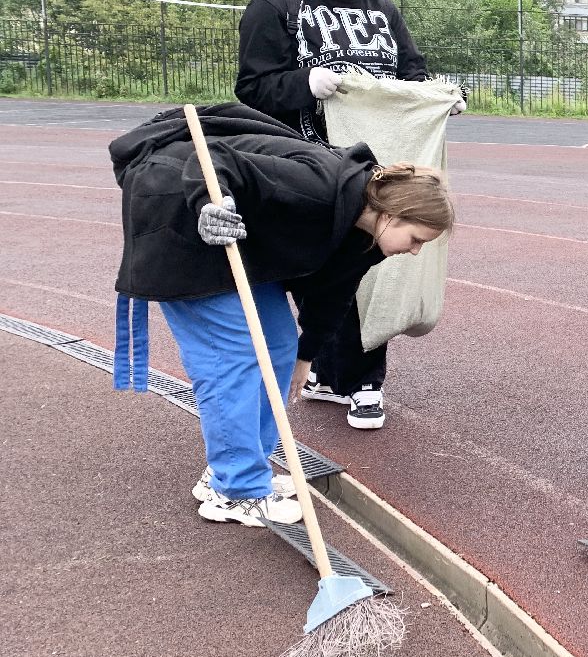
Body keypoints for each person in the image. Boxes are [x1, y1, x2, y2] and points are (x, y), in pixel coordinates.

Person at [111, 103, 455, 527]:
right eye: (416, 237)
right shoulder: (318, 186)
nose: (416, 251)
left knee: (277, 345)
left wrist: (305, 356)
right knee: (233, 355)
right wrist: (209, 205)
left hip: (238, 241)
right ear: (391, 214)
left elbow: (333, 295)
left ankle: (233, 470)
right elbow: (217, 160)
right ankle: (235, 490)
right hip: (181, 214)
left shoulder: (364, 237)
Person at [235, 0, 463, 430]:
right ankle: (325, 371)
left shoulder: (382, 8)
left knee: (365, 268)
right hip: (305, 171)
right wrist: (303, 85)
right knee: (316, 274)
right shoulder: (278, 5)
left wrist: (438, 97)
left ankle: (363, 382)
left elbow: (410, 74)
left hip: (374, 174)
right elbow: (251, 88)